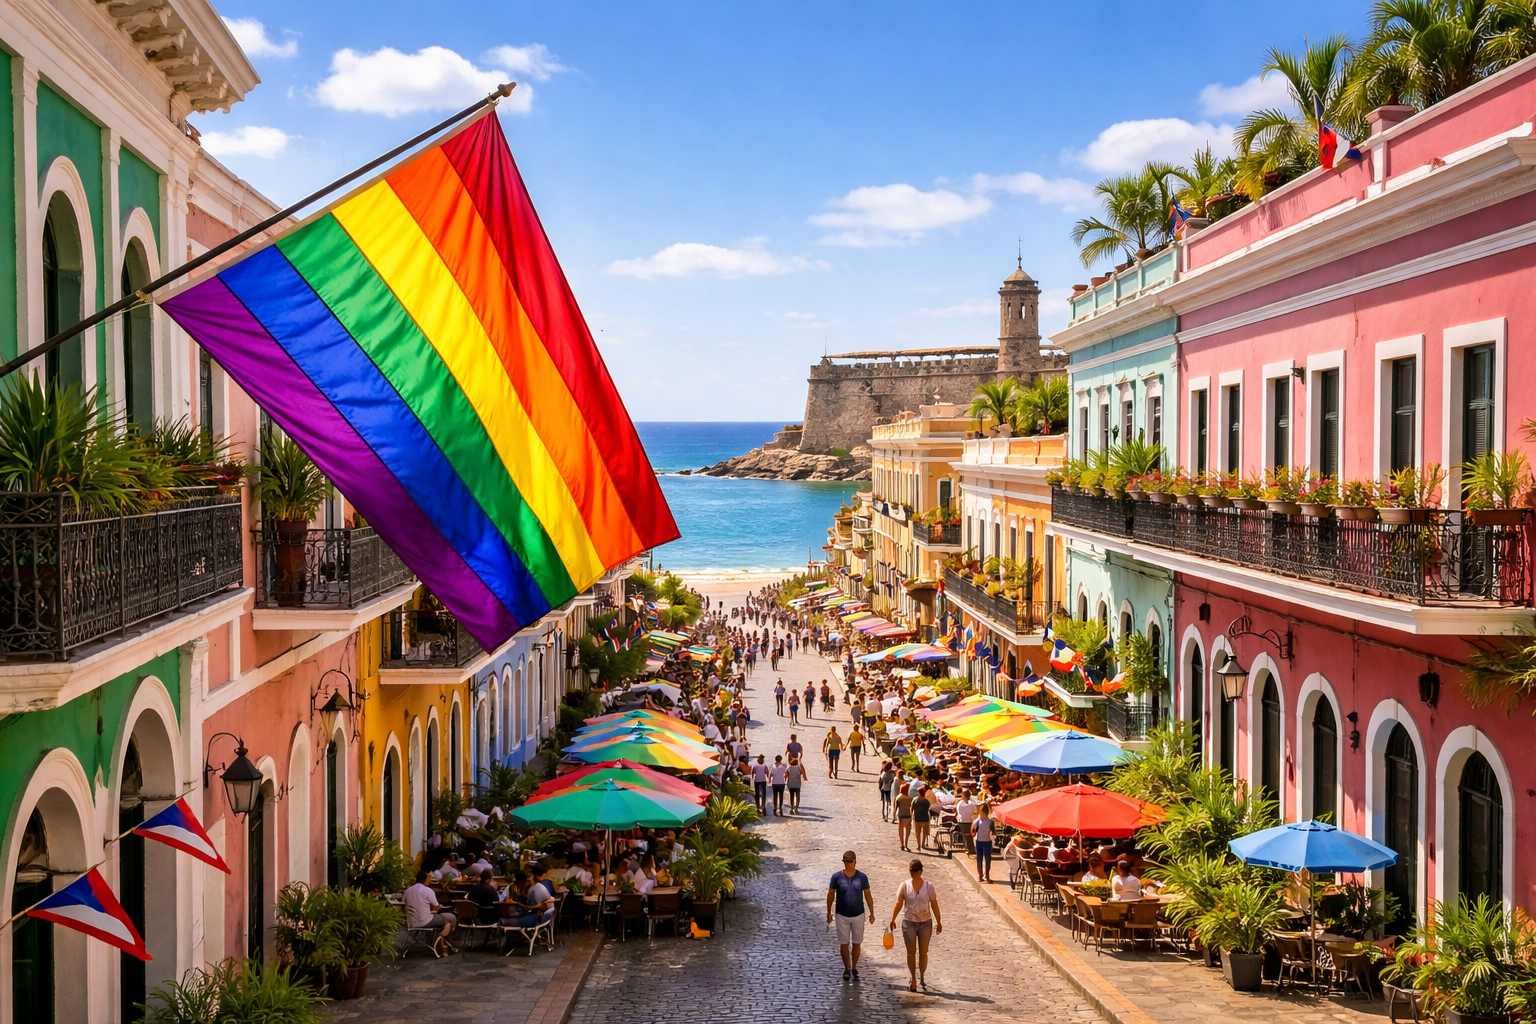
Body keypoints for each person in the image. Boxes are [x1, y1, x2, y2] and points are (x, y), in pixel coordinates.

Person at [889, 858, 942, 992]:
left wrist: (939, 921)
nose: (912, 873)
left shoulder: (929, 886)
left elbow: (934, 904)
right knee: (911, 952)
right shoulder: (904, 885)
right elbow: (899, 903)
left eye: (914, 871)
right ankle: (913, 978)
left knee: (923, 952)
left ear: (920, 871)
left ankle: (922, 975)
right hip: (909, 922)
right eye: (911, 871)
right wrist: (893, 918)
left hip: (925, 923)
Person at [826, 850, 875, 983]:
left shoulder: (862, 877)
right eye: (846, 862)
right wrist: (828, 912)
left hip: (858, 913)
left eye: (850, 862)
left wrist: (872, 912)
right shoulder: (836, 877)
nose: (848, 864)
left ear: (855, 862)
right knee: (844, 942)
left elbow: (868, 895)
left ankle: (854, 966)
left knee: (857, 942)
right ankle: (846, 968)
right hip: (841, 913)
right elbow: (831, 894)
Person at [404, 870, 458, 953]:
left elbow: (404, 905)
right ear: (425, 880)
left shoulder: (407, 891)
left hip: (411, 922)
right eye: (429, 878)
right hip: (425, 920)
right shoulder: (428, 891)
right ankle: (444, 944)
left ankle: (438, 942)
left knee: (439, 920)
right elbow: (437, 907)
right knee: (448, 920)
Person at [971, 803, 996, 883]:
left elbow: (993, 832)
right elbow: (973, 831)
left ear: (986, 813)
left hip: (987, 842)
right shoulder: (977, 821)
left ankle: (987, 875)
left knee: (988, 859)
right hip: (979, 842)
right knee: (979, 859)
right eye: (980, 813)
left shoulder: (990, 822)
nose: (981, 815)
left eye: (982, 813)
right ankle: (980, 875)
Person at [954, 790, 977, 854]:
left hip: (962, 821)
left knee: (966, 835)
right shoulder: (972, 802)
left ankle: (969, 849)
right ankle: (970, 848)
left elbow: (957, 812)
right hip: (970, 821)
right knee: (969, 836)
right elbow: (974, 811)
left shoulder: (960, 803)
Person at [912, 786, 933, 852]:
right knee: (924, 833)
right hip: (925, 818)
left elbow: (912, 808)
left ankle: (919, 845)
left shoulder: (915, 800)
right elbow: (928, 808)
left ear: (919, 793)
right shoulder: (927, 801)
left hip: (917, 818)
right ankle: (923, 844)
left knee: (918, 833)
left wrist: (913, 815)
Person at [895, 783, 914, 851]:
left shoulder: (899, 797)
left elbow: (896, 806)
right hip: (908, 814)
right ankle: (906, 844)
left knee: (901, 830)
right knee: (907, 830)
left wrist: (895, 814)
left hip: (900, 814)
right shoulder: (911, 798)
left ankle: (902, 844)